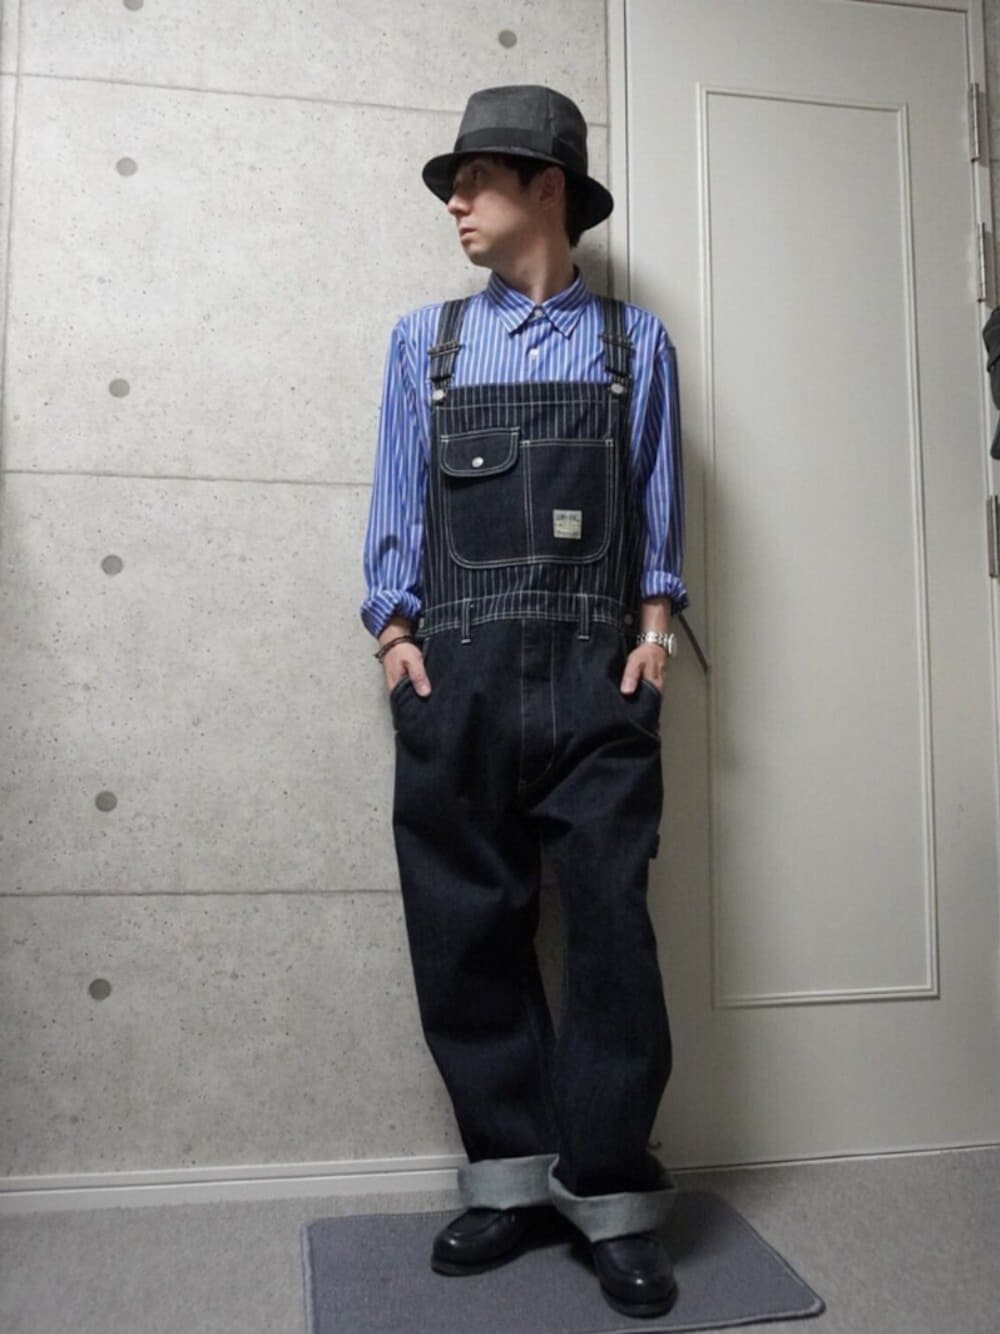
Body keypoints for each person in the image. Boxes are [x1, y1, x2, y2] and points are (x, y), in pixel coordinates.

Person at [359, 84, 689, 1319]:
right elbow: (394, 501)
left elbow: (658, 506)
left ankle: (610, 1193)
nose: (454, 202)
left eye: (475, 180)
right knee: (464, 926)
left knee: (610, 936)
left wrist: (653, 633)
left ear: (546, 189)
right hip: (456, 675)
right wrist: (395, 634)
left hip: (601, 677)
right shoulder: (426, 342)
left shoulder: (633, 345)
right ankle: (506, 1175)